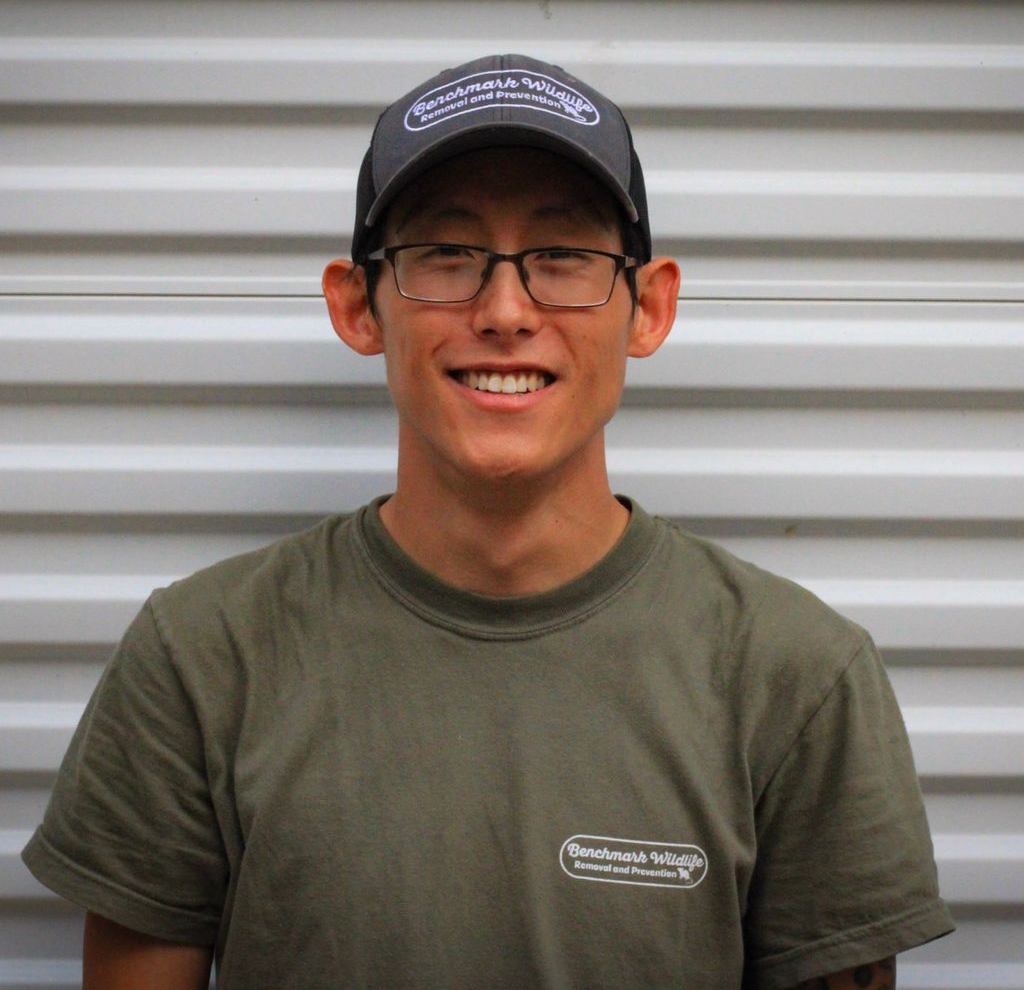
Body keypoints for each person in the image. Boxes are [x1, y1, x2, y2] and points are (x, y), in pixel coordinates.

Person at [23, 53, 953, 989]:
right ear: (357, 305)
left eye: (564, 256)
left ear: (650, 306)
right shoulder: (200, 658)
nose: (506, 311)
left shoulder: (797, 677)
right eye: (446, 255)